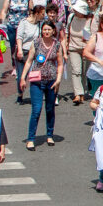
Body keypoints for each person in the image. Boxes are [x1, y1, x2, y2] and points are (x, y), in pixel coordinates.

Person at [20, 19, 63, 150]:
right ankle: (31, 138)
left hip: (51, 81)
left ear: (53, 31)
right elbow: (29, 61)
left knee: (50, 109)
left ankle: (49, 135)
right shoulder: (36, 43)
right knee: (36, 110)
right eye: (44, 29)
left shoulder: (57, 45)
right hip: (37, 81)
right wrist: (23, 78)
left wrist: (58, 79)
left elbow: (60, 64)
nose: (46, 32)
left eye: (49, 29)